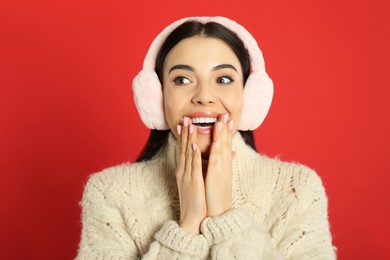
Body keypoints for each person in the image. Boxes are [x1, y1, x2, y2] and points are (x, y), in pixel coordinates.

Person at [76, 16, 336, 259]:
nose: (204, 96)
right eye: (182, 80)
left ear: (249, 94)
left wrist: (227, 220)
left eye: (223, 79)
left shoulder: (297, 189)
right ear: (156, 97)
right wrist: (186, 228)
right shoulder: (109, 193)